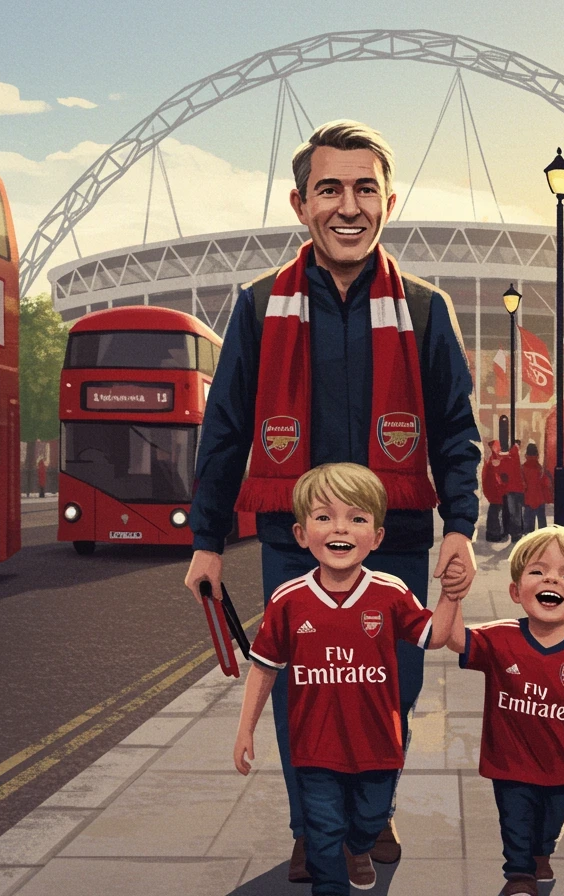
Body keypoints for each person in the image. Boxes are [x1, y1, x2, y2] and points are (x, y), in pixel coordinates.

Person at [183, 119, 481, 880]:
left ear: (387, 199)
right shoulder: (256, 307)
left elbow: (455, 428)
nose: (348, 206)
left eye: (364, 189)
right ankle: (314, 830)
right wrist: (206, 542)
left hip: (400, 537)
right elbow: (225, 431)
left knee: (392, 690)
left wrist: (462, 526)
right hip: (292, 539)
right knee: (303, 697)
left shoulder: (424, 307)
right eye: (329, 189)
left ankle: (367, 819)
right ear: (300, 202)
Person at [234, 463, 464, 895]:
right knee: (322, 832)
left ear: (376, 536)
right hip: (314, 748)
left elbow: (433, 638)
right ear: (302, 534)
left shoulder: (391, 592)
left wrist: (452, 595)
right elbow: (265, 667)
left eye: (357, 518)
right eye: (324, 517)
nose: (340, 528)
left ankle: (357, 848)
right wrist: (245, 729)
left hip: (378, 744)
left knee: (370, 820)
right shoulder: (288, 601)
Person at [446, 525, 564, 896]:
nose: (552, 579)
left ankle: (540, 854)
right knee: (515, 819)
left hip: (561, 764)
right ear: (516, 592)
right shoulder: (499, 638)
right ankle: (518, 875)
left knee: (549, 822)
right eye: (538, 571)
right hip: (510, 762)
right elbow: (455, 640)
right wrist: (453, 597)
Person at [482, 440, 511, 542]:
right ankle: (493, 534)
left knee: (494, 512)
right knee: (495, 513)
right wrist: (503, 485)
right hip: (496, 491)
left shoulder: (491, 459)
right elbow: (496, 476)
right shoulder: (494, 459)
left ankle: (493, 533)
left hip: (493, 490)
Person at [521, 443, 551, 532]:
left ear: (526, 455)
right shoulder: (540, 469)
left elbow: (522, 485)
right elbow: (546, 484)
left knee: (528, 525)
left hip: (528, 499)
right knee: (542, 524)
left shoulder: (522, 468)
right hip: (540, 499)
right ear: (537, 455)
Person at [503, 440, 526, 541]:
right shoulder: (517, 458)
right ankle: (517, 533)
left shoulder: (508, 458)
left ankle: (515, 534)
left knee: (513, 512)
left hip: (510, 489)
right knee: (517, 512)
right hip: (518, 489)